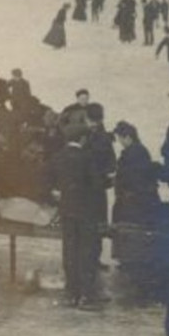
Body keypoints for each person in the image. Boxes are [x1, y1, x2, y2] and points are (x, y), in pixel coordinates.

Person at [46, 117, 109, 309]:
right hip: (86, 212)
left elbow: (46, 182)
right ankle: (86, 296)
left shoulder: (57, 157)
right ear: (82, 139)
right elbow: (97, 187)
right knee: (87, 252)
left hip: (67, 211)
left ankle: (71, 293)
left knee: (70, 251)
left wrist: (57, 195)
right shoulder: (88, 158)